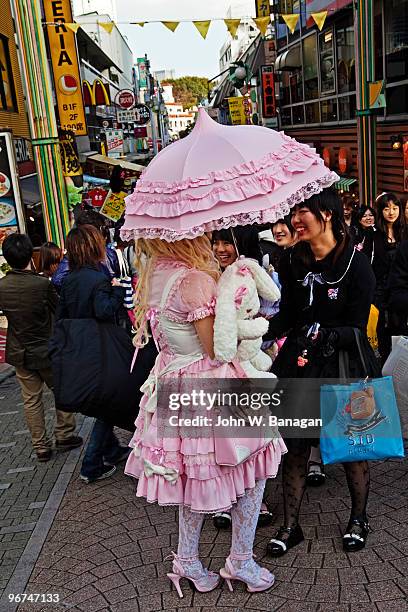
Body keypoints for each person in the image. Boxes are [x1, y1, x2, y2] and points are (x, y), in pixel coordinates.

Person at [125, 235, 286, 595]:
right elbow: (217, 349)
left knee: (195, 478)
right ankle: (240, 560)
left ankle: (188, 562)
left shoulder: (155, 276)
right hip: (211, 387)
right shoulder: (195, 281)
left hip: (175, 387)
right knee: (252, 467)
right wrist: (242, 312)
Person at [263, 188, 380, 557]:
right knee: (294, 447)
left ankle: (358, 518)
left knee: (349, 448)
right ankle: (290, 525)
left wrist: (326, 333)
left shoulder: (356, 264)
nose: (295, 219)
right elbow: (289, 315)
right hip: (300, 363)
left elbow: (359, 328)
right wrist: (258, 327)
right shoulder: (291, 260)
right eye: (293, 211)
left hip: (343, 364)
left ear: (326, 213)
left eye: (302, 210)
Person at [211, 226, 276, 529]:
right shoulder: (209, 275)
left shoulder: (252, 271)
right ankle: (226, 499)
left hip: (249, 359)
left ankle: (253, 499)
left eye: (228, 242)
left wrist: (258, 329)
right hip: (220, 365)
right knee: (225, 437)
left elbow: (271, 305)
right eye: (217, 242)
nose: (221, 249)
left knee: (250, 435)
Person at [56, 225, 129, 483]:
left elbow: (62, 316)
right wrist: (118, 289)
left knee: (102, 402)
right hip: (101, 348)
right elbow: (104, 311)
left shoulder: (68, 280)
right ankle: (91, 465)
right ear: (93, 246)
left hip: (79, 349)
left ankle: (112, 450)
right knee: (108, 401)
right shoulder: (98, 279)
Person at [0, 234, 82, 462]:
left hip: (19, 351)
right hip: (47, 349)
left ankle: (41, 446)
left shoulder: (2, 286)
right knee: (61, 390)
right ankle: (64, 434)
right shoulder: (41, 285)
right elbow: (59, 310)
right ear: (30, 255)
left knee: (31, 400)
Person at [371, 193, 405, 364]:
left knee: (400, 331)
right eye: (386, 208)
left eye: (395, 208)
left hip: (400, 289)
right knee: (382, 330)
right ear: (380, 211)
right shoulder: (374, 235)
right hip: (380, 290)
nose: (391, 212)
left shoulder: (404, 233)